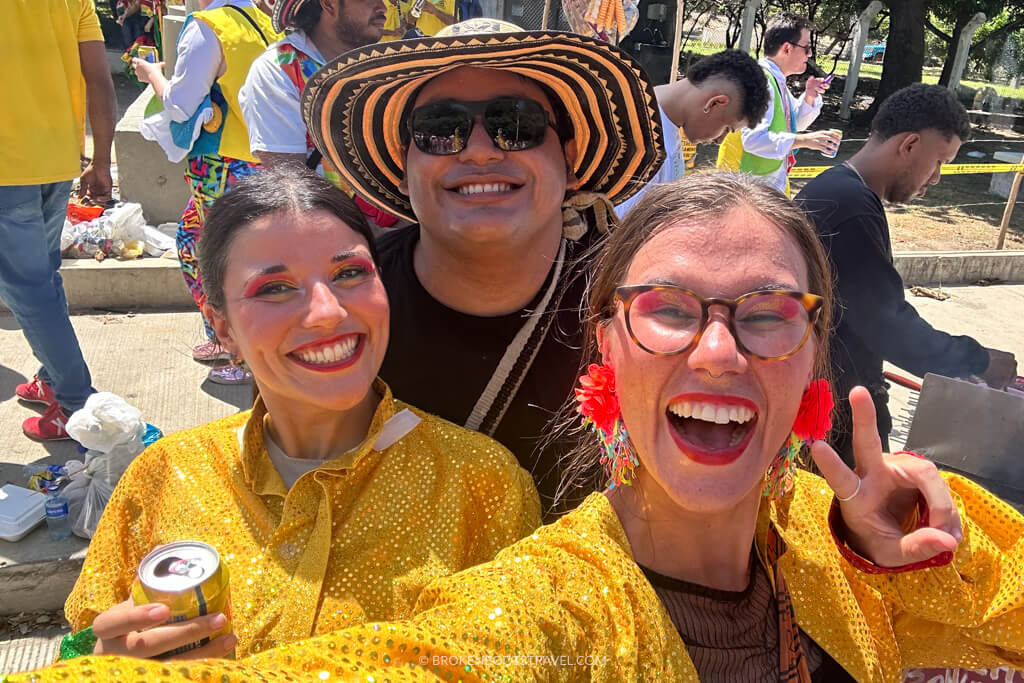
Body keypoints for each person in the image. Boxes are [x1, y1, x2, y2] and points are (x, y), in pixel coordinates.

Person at [26, 173, 1024, 683]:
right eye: (671, 307)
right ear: (606, 351)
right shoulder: (541, 616)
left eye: (767, 311)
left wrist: (916, 561)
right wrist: (80, 654)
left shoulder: (854, 536)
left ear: (813, 352)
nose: (720, 352)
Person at [53, 168, 539, 661]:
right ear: (222, 329)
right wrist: (106, 661)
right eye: (274, 288)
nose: (327, 311)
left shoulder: (483, 485)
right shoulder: (164, 477)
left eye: (349, 273)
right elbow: (83, 645)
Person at [299, 18, 663, 517]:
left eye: (516, 124)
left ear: (571, 160)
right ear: (405, 166)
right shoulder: (338, 308)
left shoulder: (642, 312)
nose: (478, 149)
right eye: (439, 130)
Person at [794, 83, 1018, 466]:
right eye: (939, 162)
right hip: (835, 414)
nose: (935, 179)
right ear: (910, 145)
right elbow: (889, 327)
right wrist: (977, 360)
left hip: (832, 400)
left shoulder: (841, 190)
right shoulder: (851, 207)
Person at [132, 0, 280, 385]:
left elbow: (180, 107)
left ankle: (240, 355)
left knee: (221, 260)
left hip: (220, 165)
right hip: (263, 158)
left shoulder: (208, 25)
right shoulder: (263, 21)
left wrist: (151, 75)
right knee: (205, 244)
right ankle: (231, 340)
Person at [1, 0, 115, 441]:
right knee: (41, 280)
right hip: (56, 161)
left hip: (7, 168)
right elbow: (99, 80)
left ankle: (76, 405)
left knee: (29, 288)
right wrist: (100, 160)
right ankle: (52, 375)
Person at [238, 0, 399, 229]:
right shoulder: (280, 67)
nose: (383, 7)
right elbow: (291, 184)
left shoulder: (380, 63)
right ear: (329, 4)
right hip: (337, 241)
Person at [617, 49, 771, 217]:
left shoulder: (663, 126)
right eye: (726, 129)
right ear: (714, 103)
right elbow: (615, 229)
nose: (720, 140)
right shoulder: (641, 135)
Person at [716, 12, 838, 196]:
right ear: (787, 48)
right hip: (743, 191)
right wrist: (806, 141)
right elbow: (754, 140)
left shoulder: (774, 79)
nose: (810, 54)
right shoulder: (762, 82)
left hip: (758, 188)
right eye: (806, 48)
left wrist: (810, 97)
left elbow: (792, 124)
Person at [381, 0, 456, 40]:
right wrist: (415, 11)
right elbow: (410, 20)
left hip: (441, 42)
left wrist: (435, 11)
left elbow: (456, 23)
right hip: (420, 43)